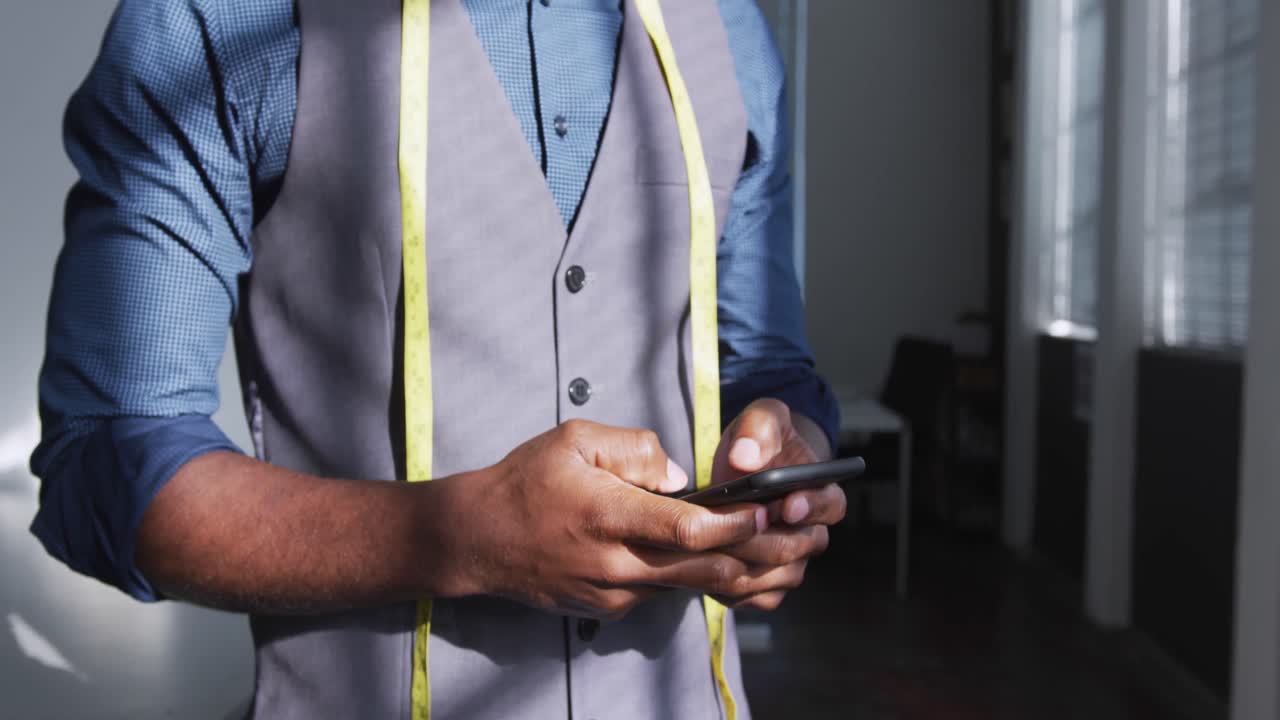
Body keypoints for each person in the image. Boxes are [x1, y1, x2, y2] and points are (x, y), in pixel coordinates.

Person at [31, 0, 844, 717]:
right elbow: (105, 462)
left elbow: (769, 367)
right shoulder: (219, 20)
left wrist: (782, 447)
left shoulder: (729, 29)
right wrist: (459, 537)